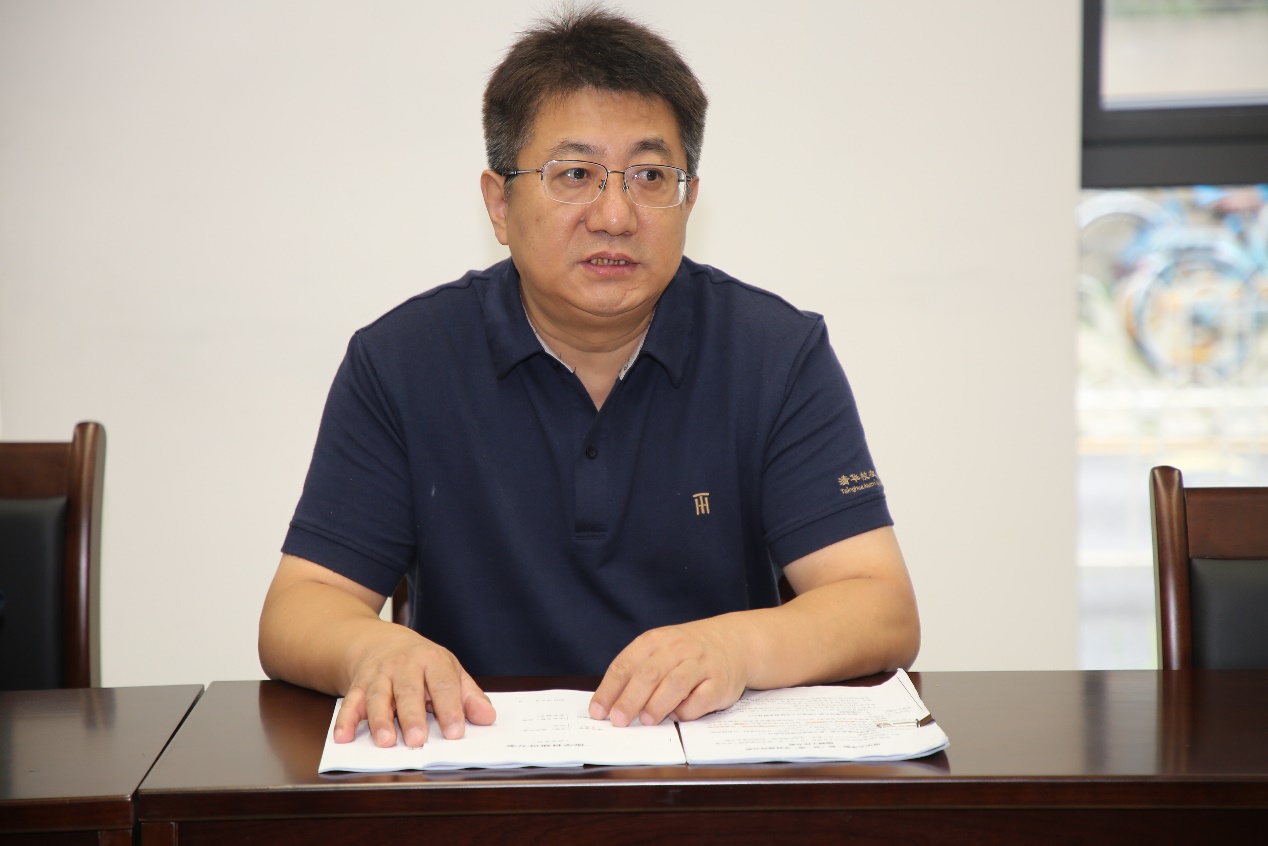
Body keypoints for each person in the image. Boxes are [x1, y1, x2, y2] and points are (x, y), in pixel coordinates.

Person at [258, 6, 919, 750]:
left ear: (688, 198)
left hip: (703, 777)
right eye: (575, 175)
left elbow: (880, 607)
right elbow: (301, 606)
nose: (614, 214)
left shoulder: (775, 354)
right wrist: (373, 649)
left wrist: (736, 647)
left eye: (650, 176)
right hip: (480, 776)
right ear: (499, 203)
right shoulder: (403, 361)